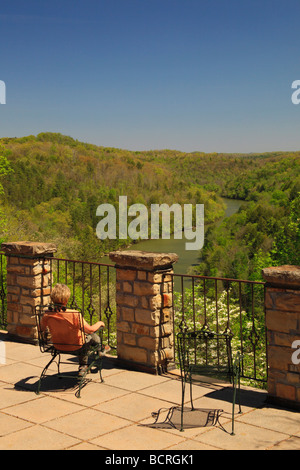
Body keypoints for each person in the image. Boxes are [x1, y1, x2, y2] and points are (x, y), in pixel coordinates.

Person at [41, 283, 108, 376]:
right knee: (91, 336)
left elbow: (42, 328)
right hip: (75, 347)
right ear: (66, 299)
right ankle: (85, 364)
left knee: (85, 336)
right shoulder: (74, 314)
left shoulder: (47, 314)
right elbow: (90, 329)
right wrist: (100, 323)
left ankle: (101, 349)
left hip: (58, 346)